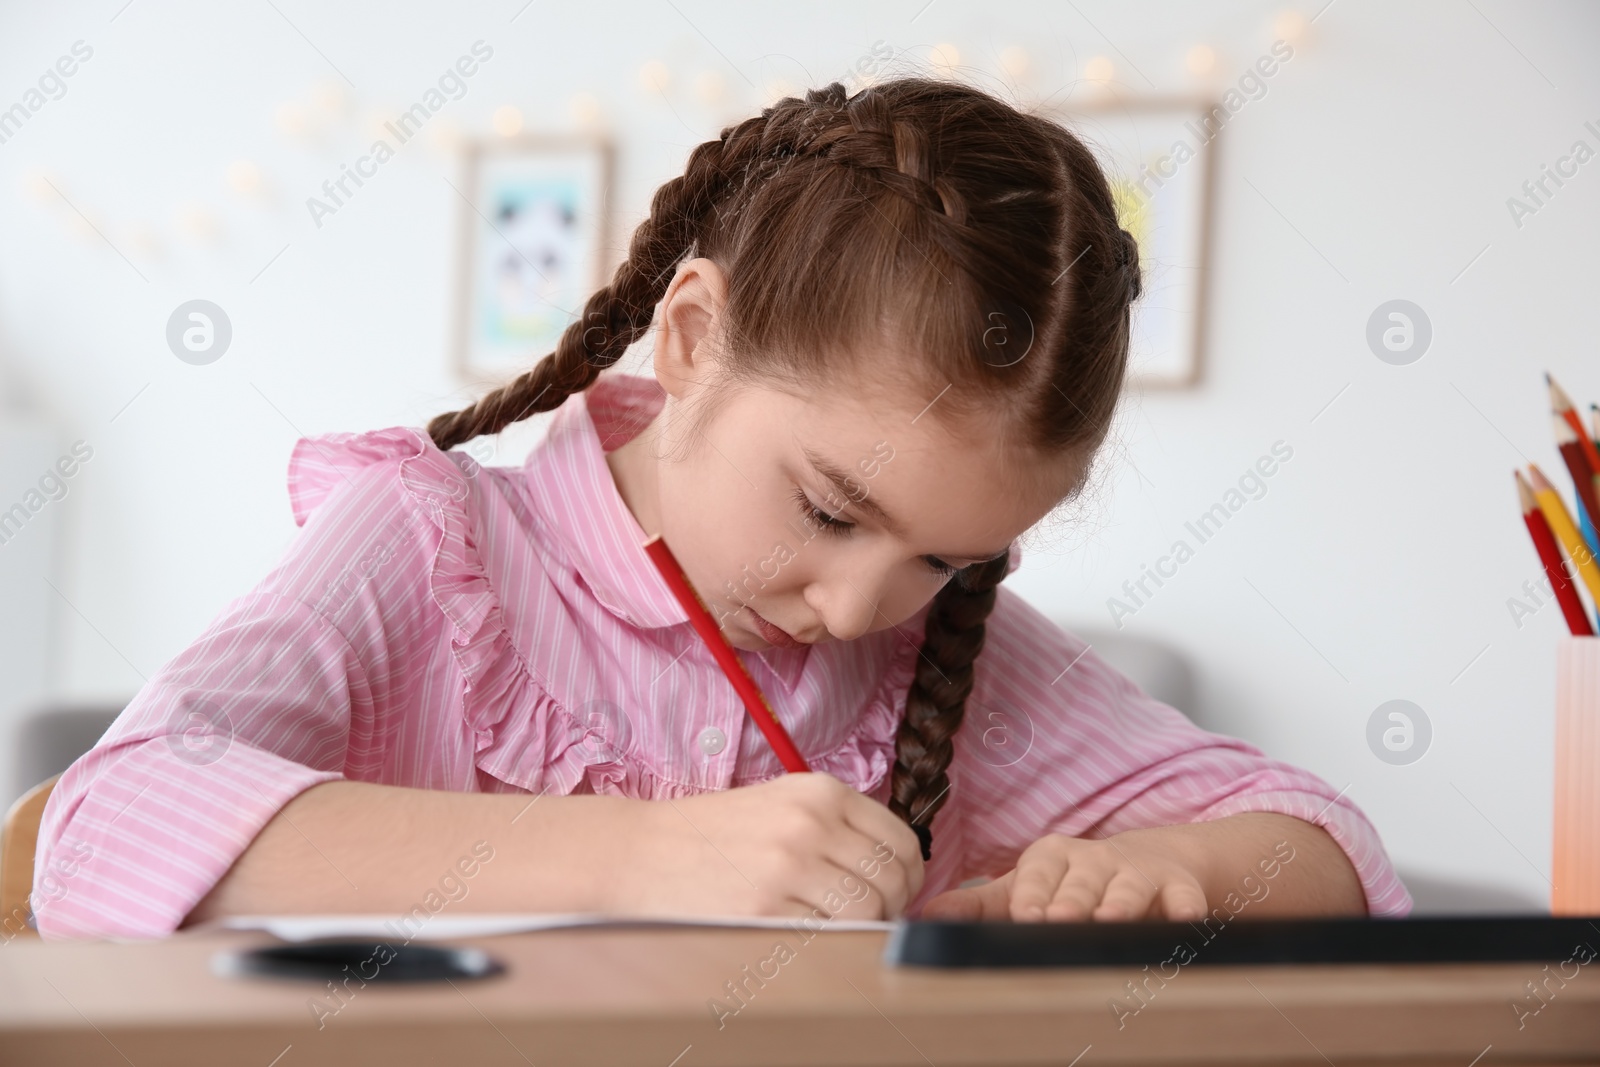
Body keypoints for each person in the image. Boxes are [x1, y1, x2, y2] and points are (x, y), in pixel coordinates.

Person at [32, 77, 1409, 939]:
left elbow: (1323, 847)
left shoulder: (940, 654)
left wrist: (1158, 870)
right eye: (827, 511)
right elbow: (106, 826)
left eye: (944, 555)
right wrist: (644, 855)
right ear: (691, 337)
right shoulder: (431, 546)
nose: (860, 607)